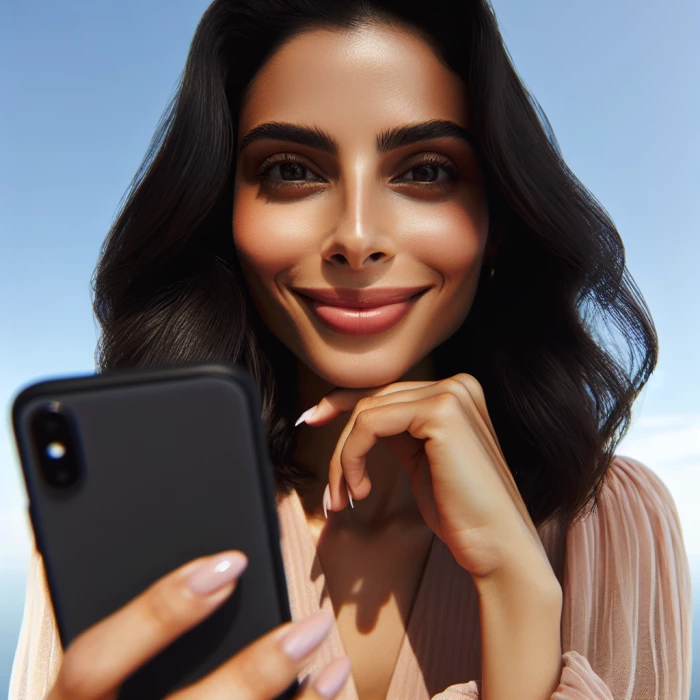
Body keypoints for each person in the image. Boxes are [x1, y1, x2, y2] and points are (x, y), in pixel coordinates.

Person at [9, 1, 692, 698]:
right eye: (290, 170)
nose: (357, 236)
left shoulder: (615, 527)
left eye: (425, 171)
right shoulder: (121, 532)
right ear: (223, 214)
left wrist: (522, 597)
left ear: (498, 222)